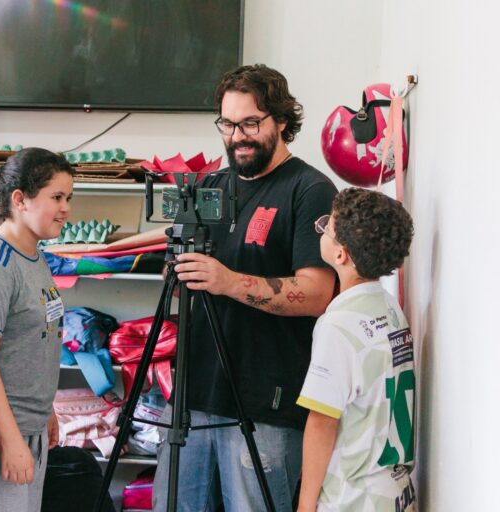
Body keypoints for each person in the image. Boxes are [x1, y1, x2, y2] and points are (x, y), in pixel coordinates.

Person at [153, 64, 338, 512]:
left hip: (266, 403)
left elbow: (317, 292)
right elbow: (177, 268)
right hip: (193, 397)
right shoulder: (211, 186)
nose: (238, 136)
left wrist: (229, 281)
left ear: (280, 120)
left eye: (251, 123)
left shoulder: (309, 189)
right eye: (228, 124)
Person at [296, 188, 416, 512]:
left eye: (327, 228)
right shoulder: (389, 307)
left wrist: (305, 506)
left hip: (352, 498)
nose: (320, 229)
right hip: (394, 491)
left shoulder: (337, 325)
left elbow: (322, 421)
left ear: (341, 255)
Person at [0, 148, 74, 512]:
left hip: (31, 428)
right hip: (2, 436)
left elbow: (34, 340)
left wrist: (46, 410)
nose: (66, 208)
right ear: (20, 200)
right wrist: (11, 439)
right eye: (56, 197)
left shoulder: (34, 254)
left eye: (68, 198)